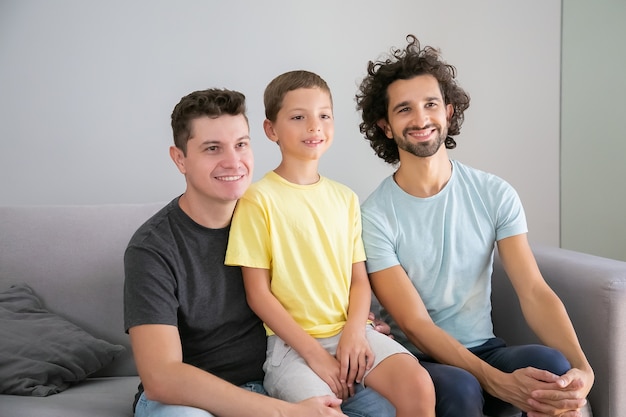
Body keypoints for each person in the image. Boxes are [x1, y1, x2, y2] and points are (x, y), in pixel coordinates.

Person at [355, 35, 594, 417]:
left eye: (430, 104)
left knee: (552, 365)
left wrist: (583, 367)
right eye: (404, 109)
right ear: (386, 126)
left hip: (486, 348)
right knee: (463, 386)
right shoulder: (374, 216)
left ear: (448, 112)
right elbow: (415, 325)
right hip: (420, 360)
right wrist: (495, 381)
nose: (420, 119)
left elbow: (533, 291)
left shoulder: (493, 192)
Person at [123, 88, 395, 417]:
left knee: (391, 405)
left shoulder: (272, 212)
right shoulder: (153, 248)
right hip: (191, 400)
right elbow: (161, 377)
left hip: (276, 380)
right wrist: (283, 412)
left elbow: (324, 288)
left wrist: (356, 326)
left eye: (241, 144)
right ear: (180, 158)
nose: (233, 161)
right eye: (212, 148)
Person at [225, 70, 435, 417]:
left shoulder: (346, 198)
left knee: (418, 383)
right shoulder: (257, 200)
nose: (314, 126)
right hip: (293, 347)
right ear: (271, 130)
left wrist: (355, 332)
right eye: (298, 117)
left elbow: (358, 280)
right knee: (323, 412)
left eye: (324, 115)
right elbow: (258, 295)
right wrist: (316, 355)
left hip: (353, 332)